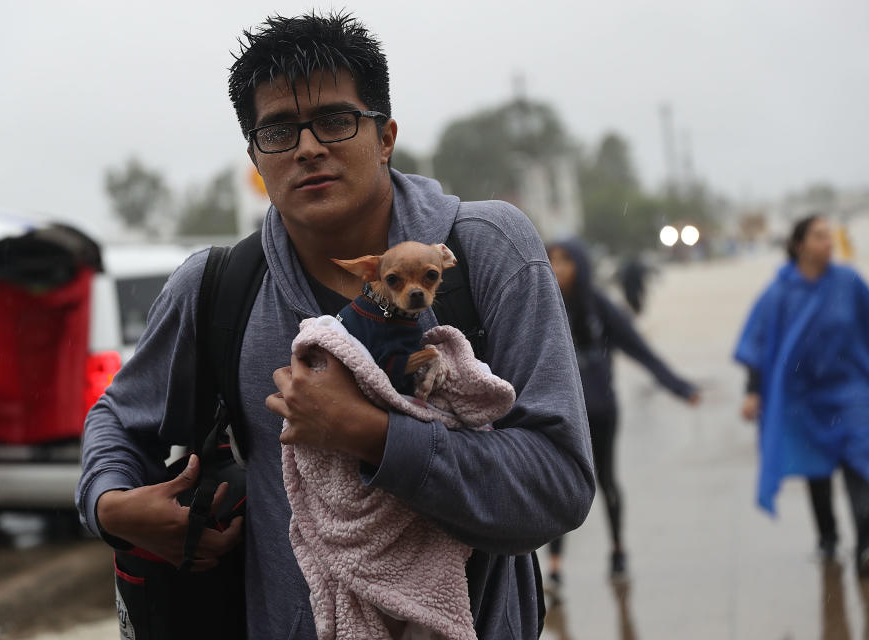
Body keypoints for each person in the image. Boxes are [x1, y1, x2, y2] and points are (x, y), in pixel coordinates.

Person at [75, 12, 595, 639]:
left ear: (385, 136)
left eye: (335, 119)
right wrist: (109, 505)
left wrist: (372, 435)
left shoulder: (486, 252)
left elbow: (560, 485)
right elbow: (116, 417)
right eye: (278, 130)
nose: (307, 147)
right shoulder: (218, 287)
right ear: (255, 160)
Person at [545, 239, 698, 595]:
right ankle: (554, 569)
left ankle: (617, 551)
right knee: (557, 486)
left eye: (566, 260)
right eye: (552, 260)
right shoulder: (540, 308)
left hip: (601, 412)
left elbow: (639, 349)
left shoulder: (599, 307)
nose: (558, 267)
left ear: (581, 266)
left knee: (607, 481)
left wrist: (679, 387)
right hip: (559, 416)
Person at [735, 214, 869, 573]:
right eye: (819, 236)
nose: (828, 242)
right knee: (816, 468)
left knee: (861, 460)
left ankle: (865, 545)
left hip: (852, 389)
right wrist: (753, 391)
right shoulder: (779, 292)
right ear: (799, 245)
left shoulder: (849, 282)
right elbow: (757, 343)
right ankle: (828, 538)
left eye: (830, 236)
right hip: (802, 395)